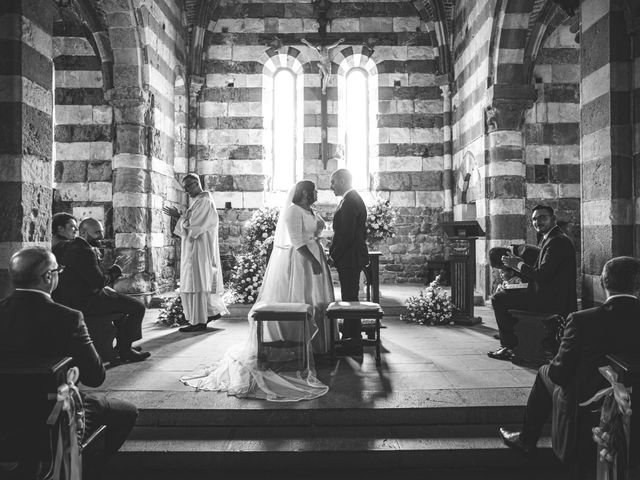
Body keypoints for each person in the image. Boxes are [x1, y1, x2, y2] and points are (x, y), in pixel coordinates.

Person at [180, 180, 333, 401]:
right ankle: (293, 343)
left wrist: (322, 248)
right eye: (315, 191)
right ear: (306, 193)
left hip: (314, 257)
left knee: (315, 300)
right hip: (300, 263)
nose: (318, 193)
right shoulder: (292, 211)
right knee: (299, 297)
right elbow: (298, 241)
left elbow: (315, 233)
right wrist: (314, 261)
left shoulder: (310, 210)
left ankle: (316, 346)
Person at [0, 247, 138, 475]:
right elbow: (95, 377)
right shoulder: (68, 318)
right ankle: (80, 471)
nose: (58, 274)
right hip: (51, 416)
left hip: (4, 415)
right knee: (126, 412)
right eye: (58, 270)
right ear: (47, 277)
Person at [499, 256, 640, 475]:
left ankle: (527, 440)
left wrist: (555, 356)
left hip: (588, 398)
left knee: (546, 372)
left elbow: (559, 375)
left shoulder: (582, 320)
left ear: (603, 282)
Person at [53, 218, 150, 363]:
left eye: (101, 232)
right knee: (138, 307)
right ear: (84, 232)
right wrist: (117, 268)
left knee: (123, 306)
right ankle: (125, 350)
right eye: (97, 232)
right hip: (88, 301)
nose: (101, 236)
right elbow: (99, 282)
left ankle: (123, 346)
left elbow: (88, 276)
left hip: (74, 298)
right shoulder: (84, 251)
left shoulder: (69, 246)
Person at [488, 205, 577, 361]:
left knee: (499, 299)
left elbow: (542, 275)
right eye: (535, 219)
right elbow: (544, 272)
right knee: (504, 293)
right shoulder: (551, 238)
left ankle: (509, 346)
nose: (538, 222)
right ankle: (516, 340)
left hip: (550, 299)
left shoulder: (557, 241)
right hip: (547, 293)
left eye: (542, 217)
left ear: (553, 219)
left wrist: (518, 265)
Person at [163, 173, 229, 332]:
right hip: (194, 249)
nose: (186, 191)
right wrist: (181, 217)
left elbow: (194, 228)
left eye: (188, 187)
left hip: (199, 249)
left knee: (197, 283)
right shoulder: (199, 202)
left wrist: (178, 216)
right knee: (193, 283)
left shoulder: (204, 201)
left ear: (196, 183)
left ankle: (199, 321)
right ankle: (199, 318)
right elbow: (189, 223)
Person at [329, 168, 369, 355]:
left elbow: (345, 235)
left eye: (333, 182)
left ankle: (353, 342)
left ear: (343, 181)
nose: (331, 186)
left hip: (350, 258)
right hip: (351, 257)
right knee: (349, 298)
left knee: (350, 299)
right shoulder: (350, 199)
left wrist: (333, 255)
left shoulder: (350, 202)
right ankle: (352, 337)